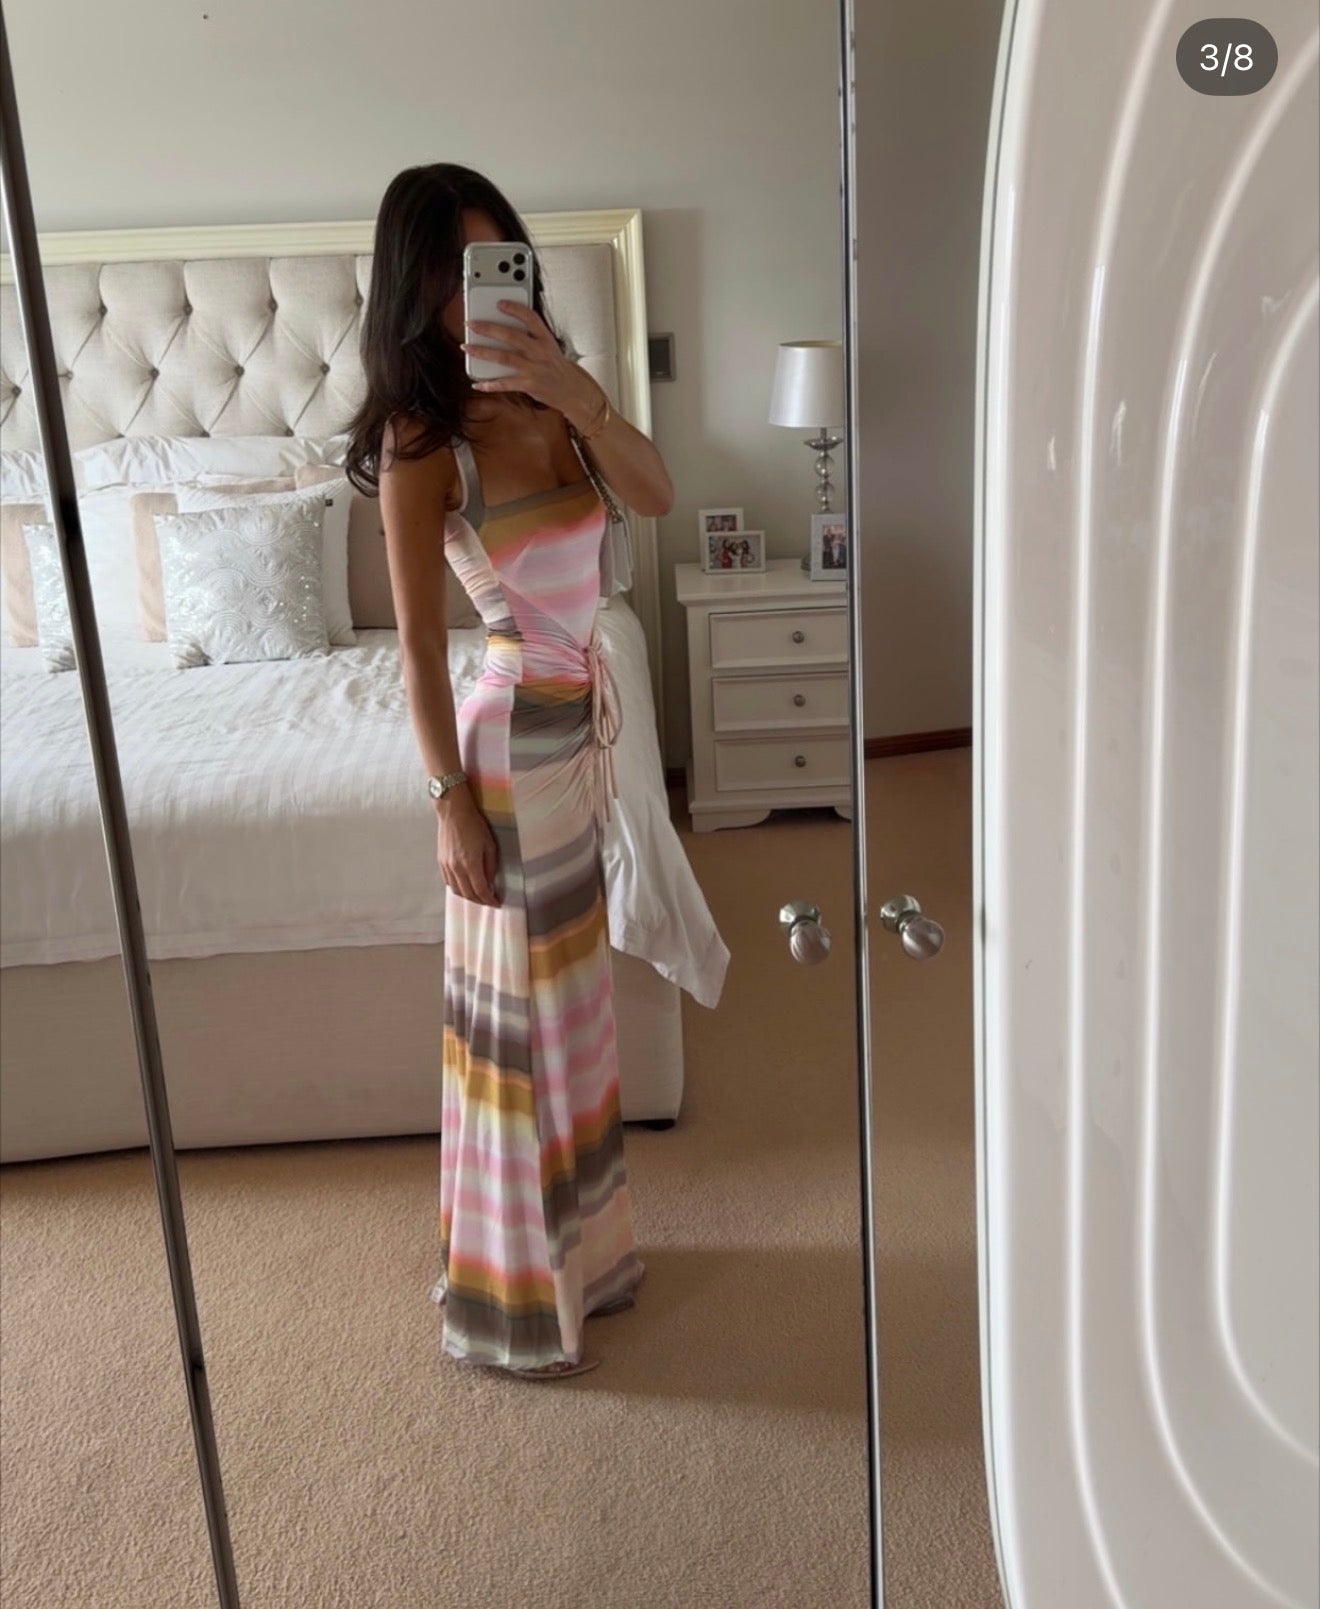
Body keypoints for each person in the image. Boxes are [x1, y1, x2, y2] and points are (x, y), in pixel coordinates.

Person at [344, 164, 674, 1381]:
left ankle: (591, 1261)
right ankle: (516, 1303)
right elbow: (416, 649)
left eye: (491, 267)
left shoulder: (561, 403)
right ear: (414, 289)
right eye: (448, 277)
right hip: (500, 752)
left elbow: (656, 494)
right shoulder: (423, 441)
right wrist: (449, 805)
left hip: (576, 737)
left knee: (574, 1014)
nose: (470, 299)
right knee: (517, 1032)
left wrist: (579, 393)